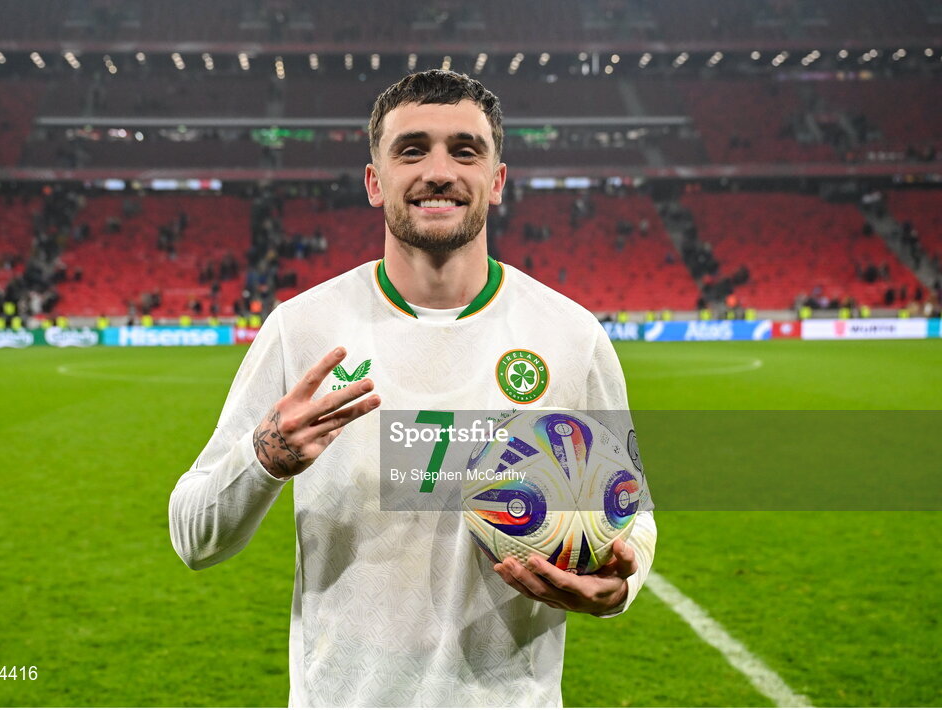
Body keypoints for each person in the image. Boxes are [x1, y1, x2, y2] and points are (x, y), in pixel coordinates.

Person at [169, 70, 656, 707]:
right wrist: (263, 460)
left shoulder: (570, 336)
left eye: (465, 151)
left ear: (497, 180)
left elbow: (633, 510)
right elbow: (193, 537)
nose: (438, 171)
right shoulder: (304, 328)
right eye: (410, 149)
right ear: (376, 182)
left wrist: (622, 585)